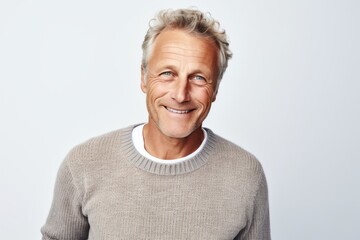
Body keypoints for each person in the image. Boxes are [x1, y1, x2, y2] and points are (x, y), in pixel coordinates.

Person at [41, 8, 271, 240]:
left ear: (216, 89)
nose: (181, 95)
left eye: (198, 78)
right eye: (168, 73)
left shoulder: (245, 176)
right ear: (143, 77)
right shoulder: (84, 165)